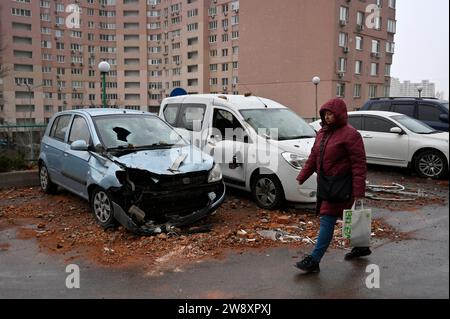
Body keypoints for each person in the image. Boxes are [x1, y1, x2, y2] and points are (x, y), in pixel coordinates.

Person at [295, 98, 369, 273]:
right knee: (348, 217)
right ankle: (362, 247)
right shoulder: (322, 133)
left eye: (331, 114)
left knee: (327, 219)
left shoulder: (351, 135)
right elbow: (313, 157)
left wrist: (358, 191)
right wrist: (302, 176)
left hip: (342, 186)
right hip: (326, 184)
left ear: (340, 115)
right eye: (325, 114)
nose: (327, 117)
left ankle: (314, 259)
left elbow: (359, 164)